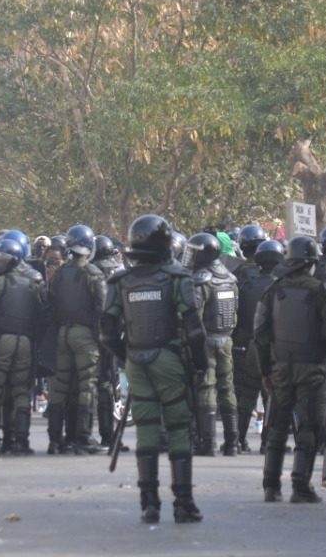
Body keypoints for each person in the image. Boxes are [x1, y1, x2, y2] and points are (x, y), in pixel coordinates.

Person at [100, 214, 206, 523]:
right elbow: (195, 330)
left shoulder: (120, 281)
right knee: (177, 429)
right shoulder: (176, 278)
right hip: (169, 359)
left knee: (146, 432)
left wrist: (126, 356)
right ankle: (183, 503)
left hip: (137, 360)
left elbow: (107, 331)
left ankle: (149, 503)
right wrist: (199, 366)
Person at [255, 235, 326, 503]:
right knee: (310, 426)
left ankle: (271, 486)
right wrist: (322, 354)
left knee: (277, 426)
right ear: (311, 263)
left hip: (280, 367)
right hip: (311, 367)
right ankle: (300, 485)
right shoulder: (321, 291)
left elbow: (260, 334)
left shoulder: (273, 290)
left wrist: (265, 370)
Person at [0, 237, 46, 455]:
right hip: (25, 342)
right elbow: (41, 314)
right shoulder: (33, 283)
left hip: (0, 341)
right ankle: (20, 440)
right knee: (20, 392)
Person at [46, 225, 106, 455]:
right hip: (85, 335)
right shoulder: (93, 273)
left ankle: (55, 438)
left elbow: (51, 302)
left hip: (63, 332)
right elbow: (101, 308)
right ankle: (83, 437)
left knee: (61, 386)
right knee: (86, 385)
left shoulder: (60, 273)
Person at [187, 232, 240, 456]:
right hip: (226, 339)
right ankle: (233, 443)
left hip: (206, 340)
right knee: (227, 388)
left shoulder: (201, 280)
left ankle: (208, 443)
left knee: (207, 387)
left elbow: (194, 317)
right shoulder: (230, 278)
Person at [232, 234, 280, 455]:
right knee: (271, 395)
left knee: (246, 395)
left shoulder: (244, 283)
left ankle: (238, 439)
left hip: (247, 345)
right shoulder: (281, 287)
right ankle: (267, 442)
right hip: (272, 346)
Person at [92, 235, 124, 449]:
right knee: (109, 384)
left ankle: (94, 434)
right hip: (113, 333)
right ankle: (109, 436)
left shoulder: (90, 272)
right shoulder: (119, 273)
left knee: (92, 384)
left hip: (93, 333)